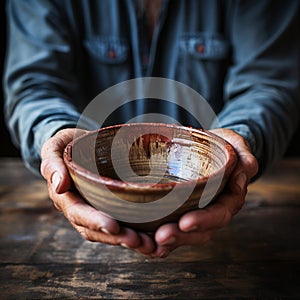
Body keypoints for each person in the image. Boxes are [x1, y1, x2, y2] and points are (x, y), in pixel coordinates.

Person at [3, 0, 299, 258]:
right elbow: (33, 85)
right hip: (82, 227)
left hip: (226, 231)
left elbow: (268, 84)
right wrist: (58, 134)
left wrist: (239, 141)